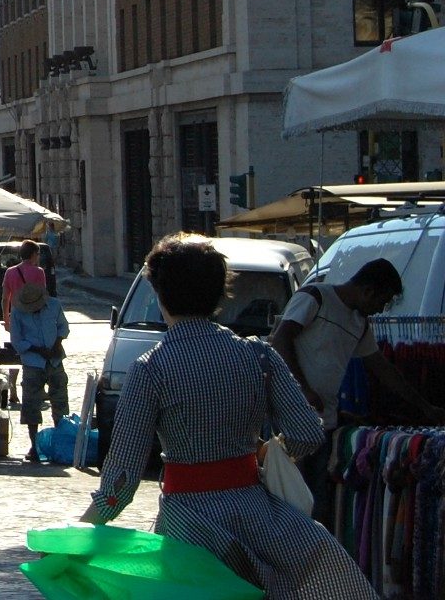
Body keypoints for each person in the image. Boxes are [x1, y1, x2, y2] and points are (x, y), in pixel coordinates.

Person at [82, 236, 376, 599]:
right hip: (261, 520)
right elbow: (307, 433)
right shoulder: (258, 356)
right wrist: (267, 451)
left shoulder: (151, 369)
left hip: (188, 527)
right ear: (222, 295)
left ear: (160, 296)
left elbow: (121, 481)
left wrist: (79, 533)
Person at [270, 257, 444, 524]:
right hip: (291, 420)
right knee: (293, 501)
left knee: (316, 503)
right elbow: (281, 339)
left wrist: (424, 407)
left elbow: (382, 369)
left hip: (323, 423)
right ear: (368, 291)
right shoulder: (316, 297)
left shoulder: (359, 323)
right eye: (381, 301)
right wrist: (303, 389)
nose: (380, 309)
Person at [10, 282, 70, 463]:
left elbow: (63, 327)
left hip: (55, 360)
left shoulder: (54, 305)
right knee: (30, 404)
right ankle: (34, 445)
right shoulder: (18, 313)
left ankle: (61, 444)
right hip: (32, 363)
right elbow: (17, 341)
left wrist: (56, 344)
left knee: (60, 402)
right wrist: (38, 350)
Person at [0, 239, 47, 329]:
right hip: (33, 316)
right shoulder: (39, 272)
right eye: (38, 254)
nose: (38, 257)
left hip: (16, 315)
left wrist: (6, 320)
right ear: (33, 254)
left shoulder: (9, 272)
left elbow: (5, 298)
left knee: (17, 342)